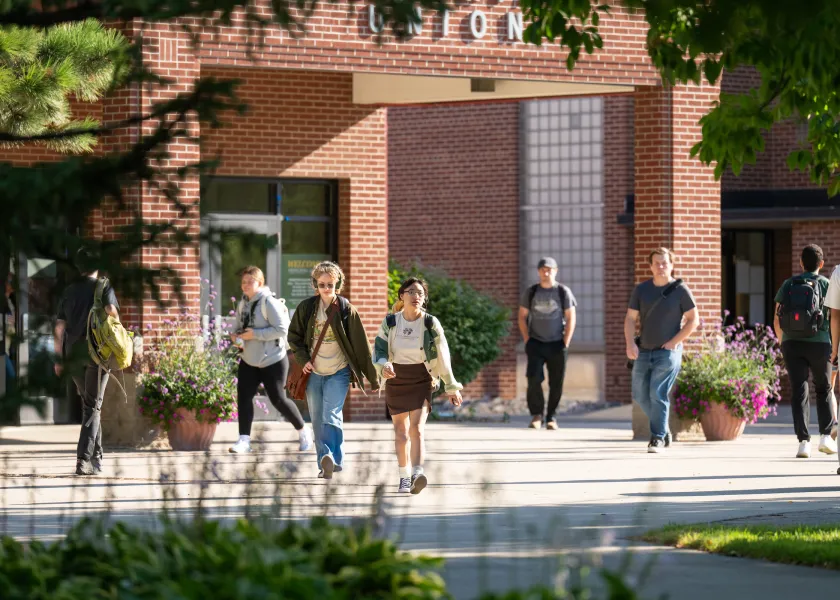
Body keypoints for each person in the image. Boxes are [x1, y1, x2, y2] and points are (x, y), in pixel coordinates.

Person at [287, 261, 379, 479]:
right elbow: (294, 337)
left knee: (331, 414)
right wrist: (303, 359)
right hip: (313, 372)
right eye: (322, 284)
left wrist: (373, 379)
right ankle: (324, 464)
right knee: (318, 418)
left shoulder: (347, 310)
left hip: (338, 371)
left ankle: (332, 458)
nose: (326, 289)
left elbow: (362, 347)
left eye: (330, 284)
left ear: (338, 284)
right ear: (315, 285)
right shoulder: (307, 308)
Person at [374, 277, 463, 494]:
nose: (416, 296)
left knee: (417, 429)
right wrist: (384, 365)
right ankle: (404, 476)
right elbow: (378, 349)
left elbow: (443, 354)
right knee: (401, 432)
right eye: (412, 292)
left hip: (422, 378)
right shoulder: (391, 322)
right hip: (396, 378)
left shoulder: (430, 322)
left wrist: (451, 386)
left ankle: (417, 473)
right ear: (402, 296)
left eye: (420, 293)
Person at [228, 266, 313, 454]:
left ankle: (303, 431)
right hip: (249, 359)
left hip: (273, 359)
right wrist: (236, 337)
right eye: (243, 282)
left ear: (260, 282)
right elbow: (240, 328)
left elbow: (283, 329)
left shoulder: (269, 302)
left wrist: (255, 335)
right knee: (244, 398)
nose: (246, 285)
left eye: (250, 281)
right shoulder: (243, 304)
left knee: (278, 400)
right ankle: (244, 440)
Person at [625, 247, 698, 453]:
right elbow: (630, 318)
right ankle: (663, 428)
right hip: (643, 350)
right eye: (656, 263)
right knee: (640, 395)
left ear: (672, 265)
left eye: (664, 262)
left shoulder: (680, 290)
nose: (661, 266)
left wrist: (675, 342)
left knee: (657, 393)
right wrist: (630, 343)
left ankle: (657, 438)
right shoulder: (642, 290)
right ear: (650, 266)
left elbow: (694, 320)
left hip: (668, 352)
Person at [54, 248, 119, 476]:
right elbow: (112, 313)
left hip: (72, 356)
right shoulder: (103, 287)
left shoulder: (69, 291)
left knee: (91, 405)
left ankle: (97, 457)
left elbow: (59, 327)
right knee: (93, 406)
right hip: (96, 355)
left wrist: (58, 358)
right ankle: (83, 460)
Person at [780, 244, 836, 458]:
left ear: (801, 263)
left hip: (792, 344)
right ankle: (825, 437)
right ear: (821, 264)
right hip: (820, 343)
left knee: (799, 390)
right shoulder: (826, 284)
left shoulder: (789, 284)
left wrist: (782, 341)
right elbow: (835, 316)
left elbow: (778, 317)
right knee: (823, 389)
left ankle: (803, 442)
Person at [518, 257, 577, 430]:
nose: (546, 272)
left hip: (557, 343)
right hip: (535, 342)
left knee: (556, 382)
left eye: (550, 269)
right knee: (533, 378)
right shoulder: (531, 292)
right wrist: (527, 339)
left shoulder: (562, 291)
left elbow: (571, 316)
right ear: (538, 271)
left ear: (555, 271)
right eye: (543, 269)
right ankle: (537, 415)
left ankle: (551, 417)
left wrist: (566, 341)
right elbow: (522, 316)